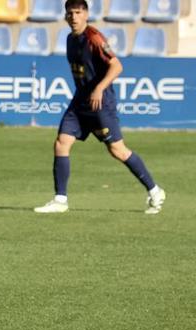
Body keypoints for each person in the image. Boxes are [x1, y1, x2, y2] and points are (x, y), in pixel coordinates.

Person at [34, 0, 165, 214]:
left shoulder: (94, 38)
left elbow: (116, 65)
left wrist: (99, 88)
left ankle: (155, 190)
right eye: (70, 13)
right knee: (61, 143)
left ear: (86, 14)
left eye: (77, 12)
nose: (73, 17)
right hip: (80, 102)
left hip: (100, 103)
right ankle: (60, 199)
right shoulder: (70, 39)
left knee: (117, 151)